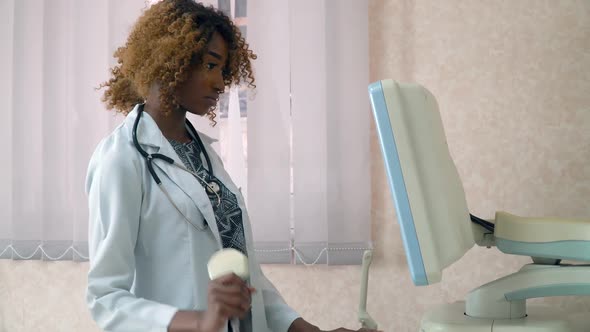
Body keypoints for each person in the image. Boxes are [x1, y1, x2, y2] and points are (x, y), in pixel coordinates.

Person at [86, 1, 382, 331]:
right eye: (211, 66)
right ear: (172, 59)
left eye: (223, 70)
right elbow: (105, 298)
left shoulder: (204, 154)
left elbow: (245, 277)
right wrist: (200, 322)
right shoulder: (121, 158)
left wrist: (307, 330)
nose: (220, 84)